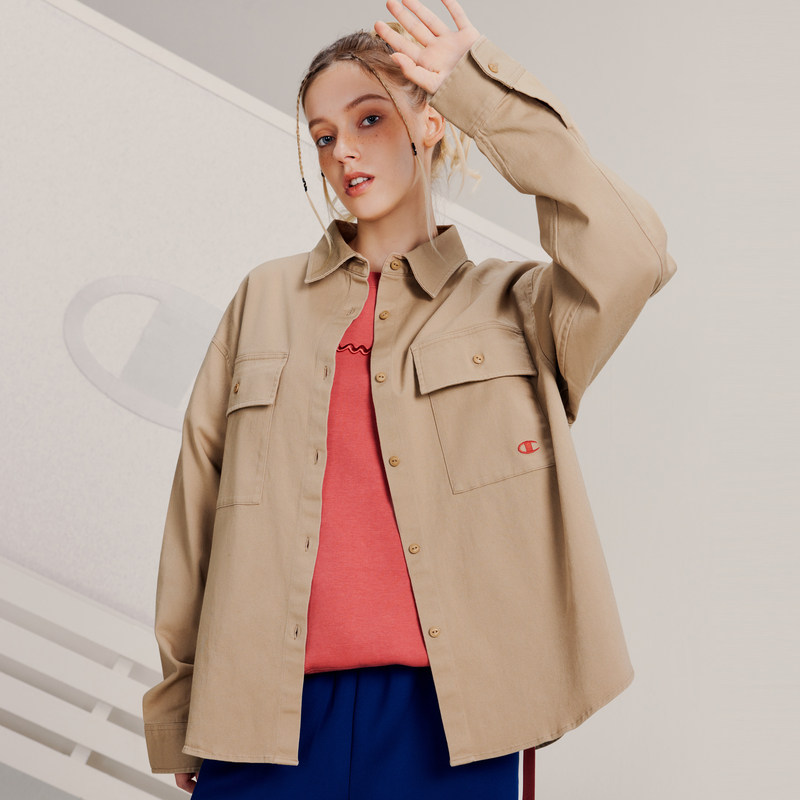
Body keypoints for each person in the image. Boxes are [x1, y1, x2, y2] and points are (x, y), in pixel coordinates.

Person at [141, 0, 678, 797]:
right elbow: (197, 508)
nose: (344, 152)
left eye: (369, 119)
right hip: (263, 714)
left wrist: (480, 92)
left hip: (452, 723)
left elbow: (634, 251)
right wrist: (181, 706)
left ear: (430, 122)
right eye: (324, 136)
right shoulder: (264, 300)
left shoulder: (519, 309)